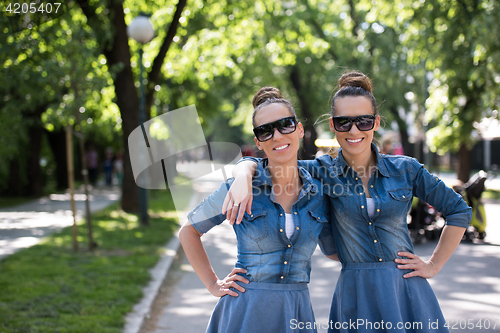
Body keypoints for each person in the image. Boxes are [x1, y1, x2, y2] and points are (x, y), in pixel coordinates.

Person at [224, 71, 472, 332]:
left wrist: (433, 265)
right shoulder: (319, 170)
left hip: (406, 292)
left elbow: (459, 211)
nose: (354, 130)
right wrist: (243, 171)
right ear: (332, 125)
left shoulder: (406, 169)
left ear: (376, 123)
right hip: (356, 294)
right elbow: (274, 158)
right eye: (344, 122)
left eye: (363, 121)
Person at [179, 87, 335, 333]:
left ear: (300, 129)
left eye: (285, 125)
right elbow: (189, 231)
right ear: (258, 142)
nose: (276, 136)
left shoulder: (319, 194)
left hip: (296, 313)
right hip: (245, 312)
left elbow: (336, 251)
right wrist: (213, 284)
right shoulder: (239, 187)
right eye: (265, 130)